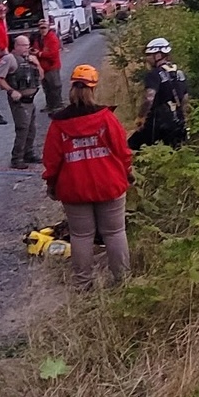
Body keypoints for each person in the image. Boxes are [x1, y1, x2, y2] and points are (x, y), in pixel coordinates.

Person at [42, 64, 133, 287]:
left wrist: (52, 184)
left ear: (71, 87)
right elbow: (123, 151)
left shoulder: (59, 123)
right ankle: (123, 281)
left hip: (74, 188)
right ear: (93, 88)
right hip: (109, 184)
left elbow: (51, 160)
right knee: (114, 232)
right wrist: (128, 173)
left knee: (81, 236)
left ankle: (84, 284)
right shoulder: (106, 118)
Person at [128, 37, 190, 150]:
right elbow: (185, 99)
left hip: (158, 123)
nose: (147, 59)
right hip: (178, 122)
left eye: (149, 55)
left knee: (131, 146)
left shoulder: (154, 74)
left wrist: (141, 117)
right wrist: (184, 118)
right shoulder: (180, 73)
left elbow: (149, 99)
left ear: (158, 55)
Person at [0, 34, 43, 168]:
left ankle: (29, 153)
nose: (27, 48)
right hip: (19, 101)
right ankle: (17, 158)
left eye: (28, 45)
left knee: (31, 128)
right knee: (23, 128)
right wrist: (11, 91)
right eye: (24, 46)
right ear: (16, 46)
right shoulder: (9, 59)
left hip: (31, 100)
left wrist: (37, 63)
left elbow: (41, 76)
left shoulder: (30, 60)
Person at [36, 22, 64, 113]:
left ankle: (58, 105)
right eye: (41, 28)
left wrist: (39, 54)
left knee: (55, 86)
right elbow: (35, 48)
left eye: (44, 27)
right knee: (47, 88)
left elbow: (53, 54)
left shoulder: (52, 38)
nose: (43, 29)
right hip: (43, 68)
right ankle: (50, 105)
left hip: (52, 67)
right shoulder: (39, 38)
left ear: (48, 28)